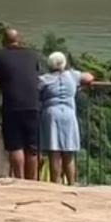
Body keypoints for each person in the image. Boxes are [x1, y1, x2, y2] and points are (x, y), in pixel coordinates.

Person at [0, 27, 43, 180]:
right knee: (32, 148)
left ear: (3, 41)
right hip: (33, 104)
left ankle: (19, 180)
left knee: (15, 146)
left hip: (12, 105)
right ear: (19, 40)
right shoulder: (33, 55)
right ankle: (32, 182)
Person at [39, 51, 95, 184]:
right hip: (69, 114)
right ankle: (71, 183)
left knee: (54, 152)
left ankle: (56, 184)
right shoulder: (72, 75)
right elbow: (89, 77)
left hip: (51, 114)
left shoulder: (44, 79)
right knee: (68, 152)